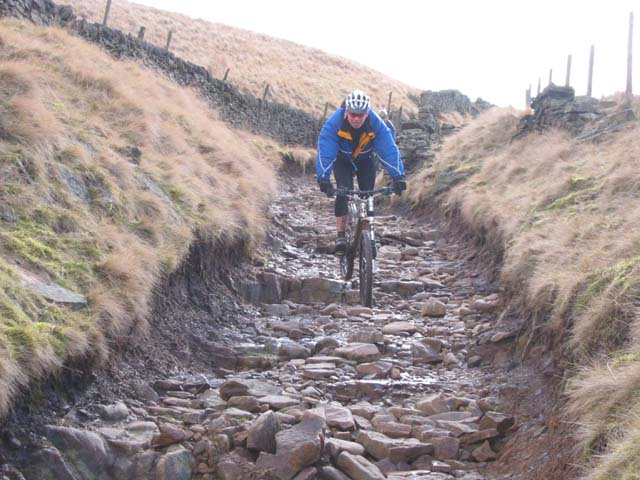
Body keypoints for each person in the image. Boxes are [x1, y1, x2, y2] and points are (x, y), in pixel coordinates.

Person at [316, 89, 407, 256]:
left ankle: (369, 236)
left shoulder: (375, 123)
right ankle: (341, 236)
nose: (356, 118)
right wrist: (324, 178)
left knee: (367, 195)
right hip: (342, 160)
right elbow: (326, 148)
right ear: (346, 111)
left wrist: (398, 176)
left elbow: (388, 149)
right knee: (343, 192)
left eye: (361, 115)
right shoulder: (335, 122)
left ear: (367, 113)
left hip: (366, 160)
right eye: (353, 114)